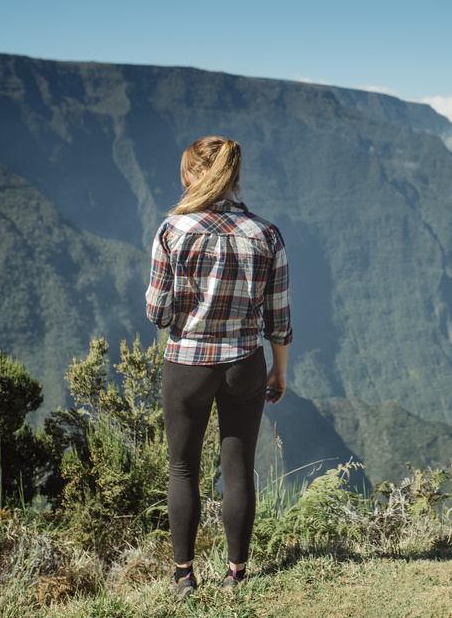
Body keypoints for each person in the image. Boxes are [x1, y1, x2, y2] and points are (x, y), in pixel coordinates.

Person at [144, 135, 292, 600]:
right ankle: (236, 574)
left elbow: (157, 313)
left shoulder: (172, 231)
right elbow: (280, 317)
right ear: (233, 176)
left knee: (182, 469)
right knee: (239, 468)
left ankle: (184, 576)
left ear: (193, 173)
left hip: (187, 364)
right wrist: (278, 371)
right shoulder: (266, 234)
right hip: (245, 363)